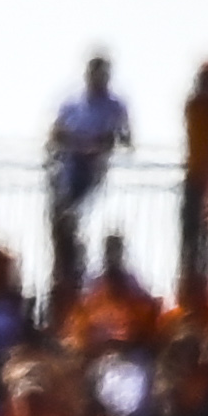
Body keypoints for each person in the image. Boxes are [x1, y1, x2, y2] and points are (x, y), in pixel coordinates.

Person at [44, 53, 131, 310]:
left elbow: (123, 137)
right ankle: (64, 272)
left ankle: (74, 267)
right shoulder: (73, 102)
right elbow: (55, 133)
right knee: (60, 220)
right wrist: (72, 141)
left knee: (70, 215)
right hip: (65, 168)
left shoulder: (114, 105)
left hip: (91, 170)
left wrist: (96, 144)